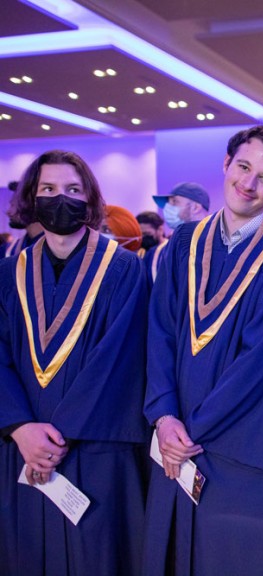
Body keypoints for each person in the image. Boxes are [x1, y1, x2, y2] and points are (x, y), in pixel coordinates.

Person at [142, 125, 263, 575]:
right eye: (243, 166)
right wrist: (164, 418)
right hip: (175, 440)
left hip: (243, 448)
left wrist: (189, 431)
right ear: (226, 164)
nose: (248, 183)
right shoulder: (184, 242)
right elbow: (160, 333)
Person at [0, 150, 148, 574]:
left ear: (90, 199)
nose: (58, 198)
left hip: (95, 450)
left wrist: (54, 437)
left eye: (72, 190)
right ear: (32, 196)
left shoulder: (123, 270)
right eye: (48, 189)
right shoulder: (9, 275)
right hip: (23, 450)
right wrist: (20, 427)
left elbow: (120, 361)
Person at [2, 181, 45, 258]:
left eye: (13, 205)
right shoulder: (12, 249)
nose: (9, 211)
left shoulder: (53, 249)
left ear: (30, 206)